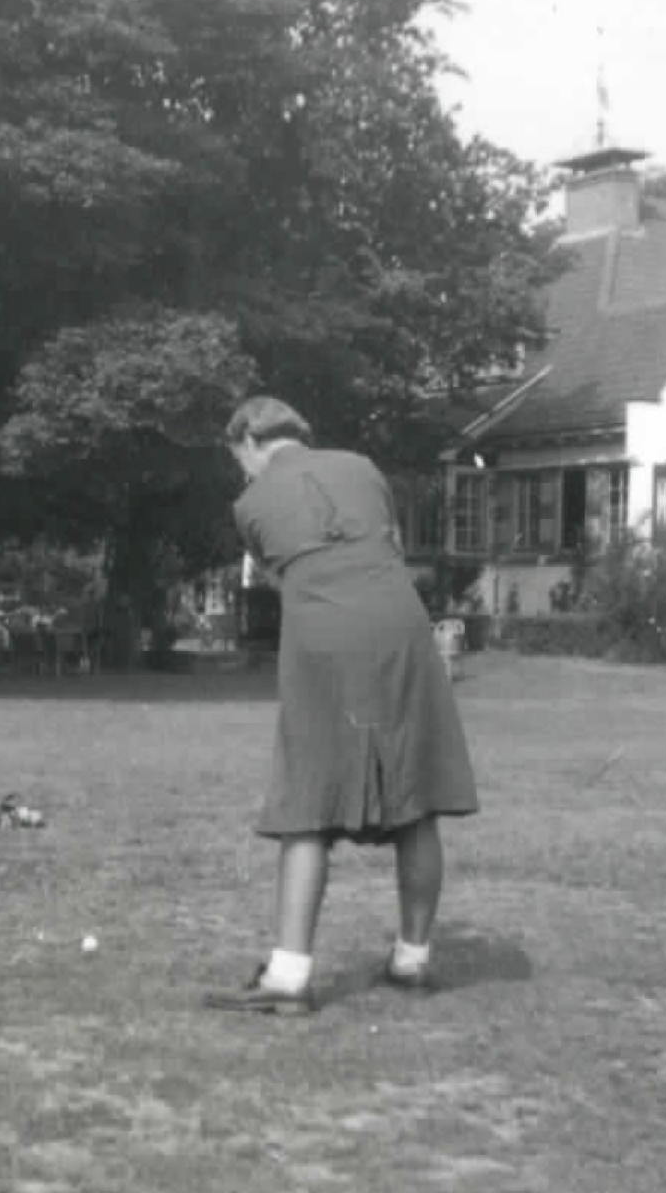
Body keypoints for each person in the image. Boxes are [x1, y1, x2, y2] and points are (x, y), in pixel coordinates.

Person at [203, 397, 479, 1015]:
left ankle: (288, 976)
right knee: (417, 799)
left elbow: (283, 574)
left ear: (249, 442)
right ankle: (412, 960)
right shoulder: (363, 468)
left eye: (238, 459)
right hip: (401, 622)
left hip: (323, 631)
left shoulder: (248, 505)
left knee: (307, 803)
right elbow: (389, 545)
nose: (241, 472)